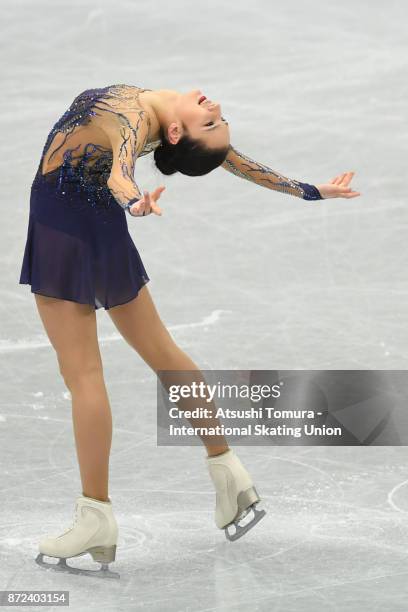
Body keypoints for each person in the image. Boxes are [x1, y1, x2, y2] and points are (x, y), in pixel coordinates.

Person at [19, 84, 361, 577]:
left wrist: (135, 202)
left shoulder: (137, 114)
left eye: (211, 121)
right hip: (102, 225)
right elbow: (233, 161)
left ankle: (95, 515)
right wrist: (308, 190)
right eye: (218, 122)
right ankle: (228, 473)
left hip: (63, 226)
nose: (217, 109)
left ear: (174, 134)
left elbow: (120, 171)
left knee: (83, 377)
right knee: (161, 350)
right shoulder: (168, 126)